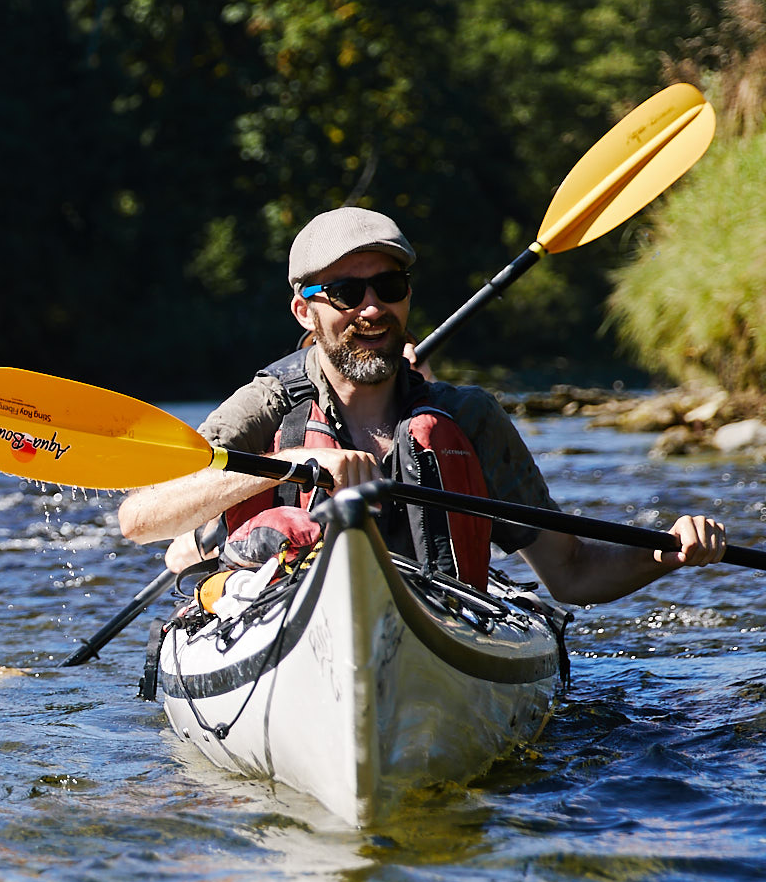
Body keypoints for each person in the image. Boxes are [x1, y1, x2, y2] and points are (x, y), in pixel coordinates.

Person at [115, 206, 728, 603]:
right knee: (195, 538)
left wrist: (666, 551)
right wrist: (294, 464)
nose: (373, 307)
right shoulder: (268, 406)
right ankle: (202, 550)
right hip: (281, 619)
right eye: (347, 292)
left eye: (390, 287)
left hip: (437, 616)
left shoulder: (467, 416)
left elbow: (570, 574)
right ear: (304, 310)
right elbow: (138, 518)